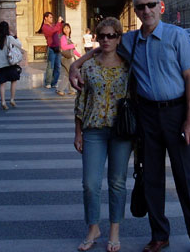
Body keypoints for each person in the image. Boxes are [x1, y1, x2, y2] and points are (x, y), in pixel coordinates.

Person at [71, 0, 190, 252]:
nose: (146, 10)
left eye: (151, 5)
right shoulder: (131, 40)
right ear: (135, 11)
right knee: (152, 179)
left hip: (176, 113)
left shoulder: (177, 36)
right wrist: (75, 65)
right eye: (141, 7)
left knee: (187, 179)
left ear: (160, 6)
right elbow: (104, 45)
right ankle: (159, 235)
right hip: (146, 115)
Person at [73, 17, 132, 252]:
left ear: (119, 38)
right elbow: (81, 101)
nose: (106, 40)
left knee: (117, 182)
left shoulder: (129, 66)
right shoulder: (88, 66)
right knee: (90, 183)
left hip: (121, 132)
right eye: (102, 36)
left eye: (111, 36)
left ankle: (114, 230)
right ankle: (93, 228)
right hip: (93, 130)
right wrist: (78, 132)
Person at [0, 21, 22, 110]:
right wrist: (15, 36)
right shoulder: (10, 38)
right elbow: (19, 45)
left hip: (0, 65)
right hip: (10, 64)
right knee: (14, 81)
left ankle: (3, 102)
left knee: (2, 84)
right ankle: (12, 99)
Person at [41, 11, 63, 90]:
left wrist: (61, 23)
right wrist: (58, 23)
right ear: (46, 18)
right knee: (50, 66)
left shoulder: (53, 25)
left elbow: (59, 31)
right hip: (51, 48)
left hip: (57, 47)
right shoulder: (44, 27)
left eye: (52, 17)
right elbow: (52, 32)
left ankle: (54, 82)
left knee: (58, 66)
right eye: (50, 17)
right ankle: (48, 83)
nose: (52, 19)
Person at [58, 23, 81, 96]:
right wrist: (73, 45)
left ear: (70, 29)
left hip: (69, 58)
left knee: (68, 74)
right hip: (66, 58)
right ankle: (62, 89)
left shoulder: (68, 38)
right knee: (70, 74)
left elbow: (73, 50)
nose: (66, 30)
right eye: (64, 28)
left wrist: (79, 55)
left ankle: (69, 90)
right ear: (63, 30)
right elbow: (63, 47)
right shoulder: (63, 37)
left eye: (67, 28)